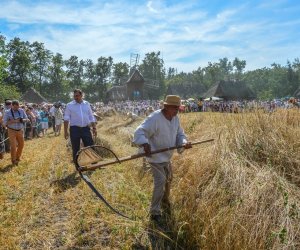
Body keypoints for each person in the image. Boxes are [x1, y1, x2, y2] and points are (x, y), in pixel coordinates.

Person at [133, 95, 192, 222]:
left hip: (166, 157)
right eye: (174, 108)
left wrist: (183, 142)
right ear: (166, 107)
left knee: (169, 178)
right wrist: (145, 143)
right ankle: (154, 212)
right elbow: (139, 131)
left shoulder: (175, 119)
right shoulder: (155, 118)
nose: (176, 111)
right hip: (155, 156)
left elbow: (180, 134)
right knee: (160, 181)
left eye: (178, 108)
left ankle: (165, 201)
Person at [64, 89, 97, 163]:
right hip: (74, 129)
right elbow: (66, 119)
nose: (76, 97)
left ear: (82, 95)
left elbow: (91, 116)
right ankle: (77, 164)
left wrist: (94, 128)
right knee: (75, 148)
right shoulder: (69, 105)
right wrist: (65, 131)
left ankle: (94, 163)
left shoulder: (87, 104)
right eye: (74, 96)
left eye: (77, 96)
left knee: (90, 145)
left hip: (85, 128)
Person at [3, 100, 29, 166]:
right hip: (11, 130)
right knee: (13, 146)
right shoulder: (7, 112)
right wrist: (13, 121)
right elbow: (4, 123)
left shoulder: (21, 110)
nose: (17, 109)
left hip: (20, 130)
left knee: (21, 144)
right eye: (15, 107)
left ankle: (18, 157)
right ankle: (13, 160)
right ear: (12, 106)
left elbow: (27, 119)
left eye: (18, 107)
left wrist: (22, 120)